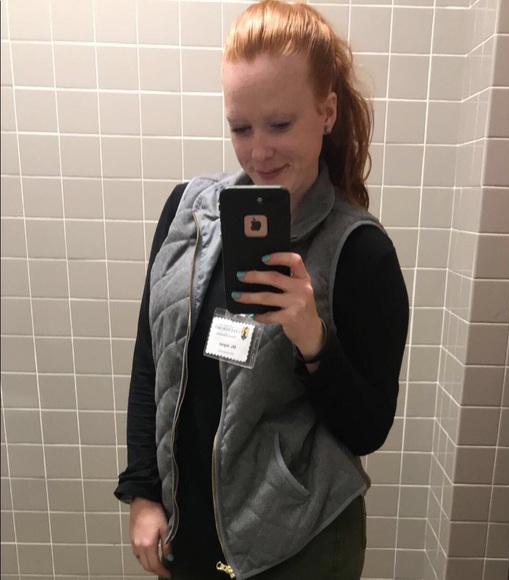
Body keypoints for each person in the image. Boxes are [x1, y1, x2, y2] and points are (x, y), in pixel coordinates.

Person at [115, 1, 409, 579]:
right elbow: (152, 359)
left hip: (300, 547)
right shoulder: (187, 213)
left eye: (280, 125)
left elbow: (368, 429)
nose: (258, 152)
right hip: (189, 530)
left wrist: (312, 339)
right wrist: (144, 490)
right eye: (241, 127)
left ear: (326, 112)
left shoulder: (360, 253)